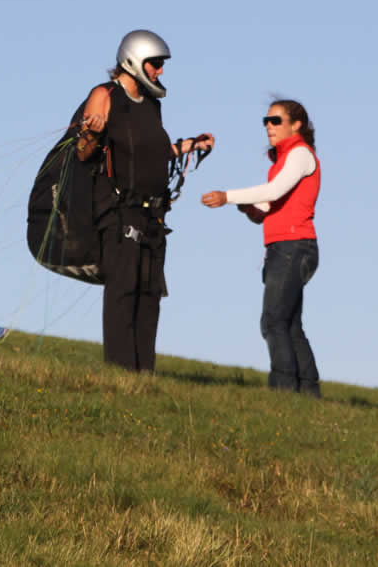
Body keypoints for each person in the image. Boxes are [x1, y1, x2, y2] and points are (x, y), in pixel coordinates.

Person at [76, 29, 214, 372]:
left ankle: (143, 375)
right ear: (134, 60)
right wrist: (92, 132)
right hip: (119, 213)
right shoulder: (105, 95)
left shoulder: (152, 105)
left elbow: (155, 152)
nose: (160, 71)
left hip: (154, 216)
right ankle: (120, 374)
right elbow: (83, 152)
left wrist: (191, 145)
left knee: (149, 295)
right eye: (155, 63)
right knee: (123, 291)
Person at [201, 99, 322, 397]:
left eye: (276, 120)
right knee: (289, 325)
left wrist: (227, 196)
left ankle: (283, 391)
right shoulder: (282, 161)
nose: (269, 126)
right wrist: (248, 208)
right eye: (266, 121)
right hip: (289, 247)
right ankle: (308, 395)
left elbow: (274, 191)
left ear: (296, 125)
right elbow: (268, 207)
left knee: (273, 321)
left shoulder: (300, 154)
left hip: (292, 247)